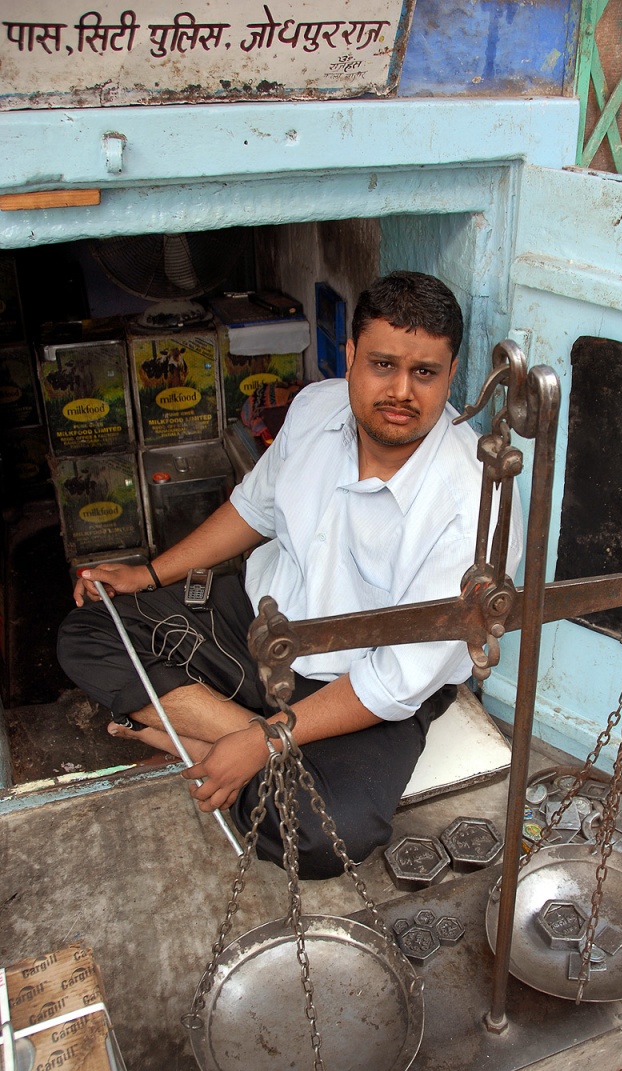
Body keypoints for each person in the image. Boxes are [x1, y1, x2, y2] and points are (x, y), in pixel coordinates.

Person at [57, 272, 523, 878]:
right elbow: (255, 508)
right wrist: (148, 574)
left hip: (356, 691)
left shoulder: (472, 511)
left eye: (425, 373)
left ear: (451, 372)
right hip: (257, 620)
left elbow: (388, 685)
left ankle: (182, 734)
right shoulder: (315, 409)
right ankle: (223, 745)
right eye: (383, 364)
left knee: (329, 837)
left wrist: (264, 742)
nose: (402, 392)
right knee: (90, 631)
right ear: (352, 356)